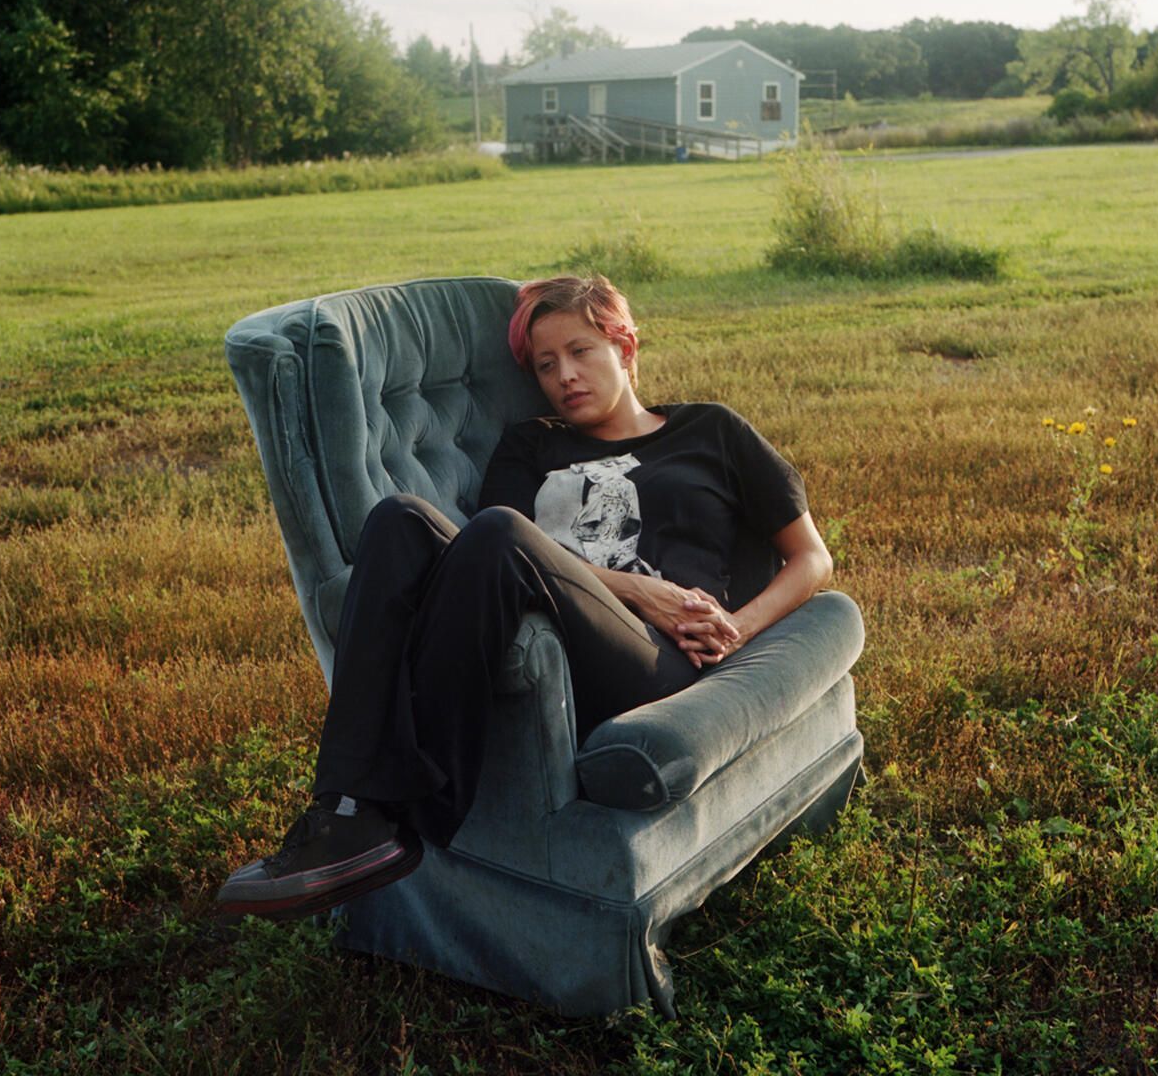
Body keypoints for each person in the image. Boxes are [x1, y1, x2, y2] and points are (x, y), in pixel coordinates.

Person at [217, 273, 834, 921]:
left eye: (580, 351)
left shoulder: (710, 430)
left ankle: (417, 808)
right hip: (561, 642)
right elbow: (493, 557)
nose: (564, 376)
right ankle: (347, 813)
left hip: (661, 658)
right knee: (399, 519)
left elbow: (811, 557)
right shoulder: (530, 444)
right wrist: (638, 590)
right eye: (545, 364)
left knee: (499, 532)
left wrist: (735, 628)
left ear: (625, 348)